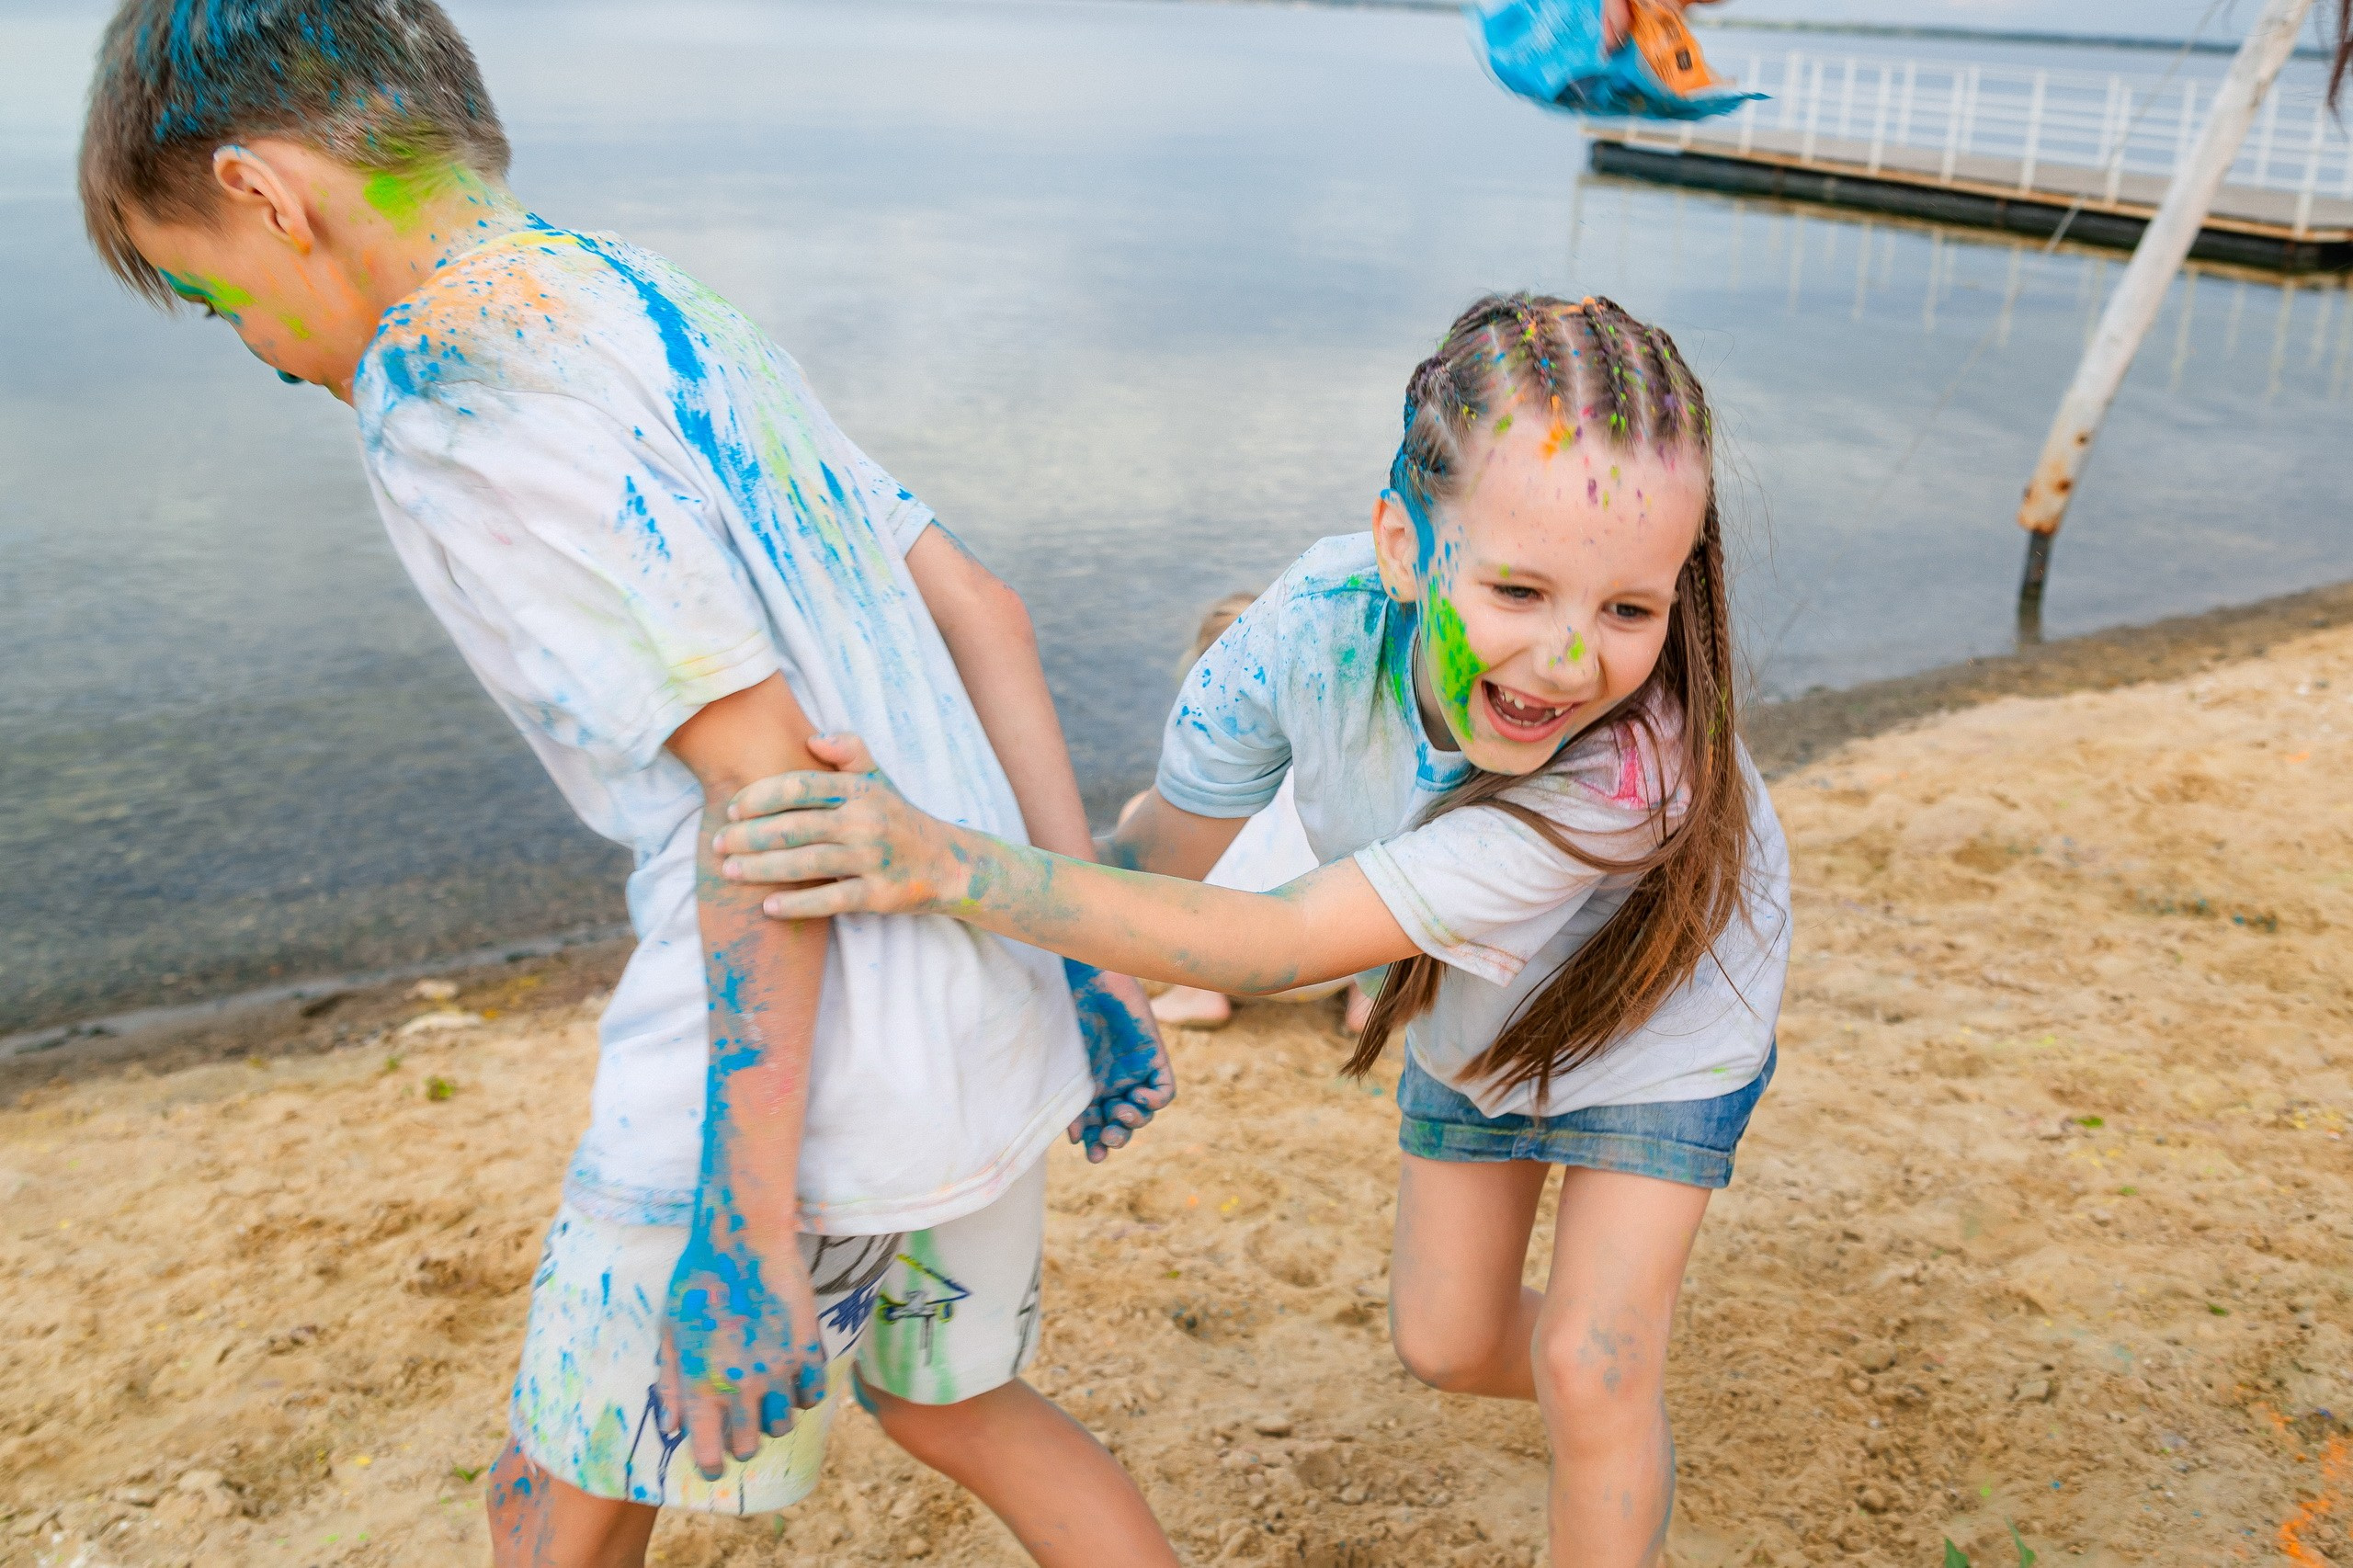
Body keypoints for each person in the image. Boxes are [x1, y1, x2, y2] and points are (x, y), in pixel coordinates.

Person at [75, 4, 1176, 1564]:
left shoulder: (446, 384)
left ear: (265, 192)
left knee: (552, 1514)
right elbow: (984, 607)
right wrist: (1092, 963)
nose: (254, 346)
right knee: (958, 1405)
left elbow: (768, 798)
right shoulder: (653, 298)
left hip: (794, 1082)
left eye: (210, 296)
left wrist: (741, 1218)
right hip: (988, 1016)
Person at [714, 293, 1792, 1568]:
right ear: (1403, 543)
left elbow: (1272, 943)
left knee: (1589, 1359)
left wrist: (945, 862)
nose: (1567, 659)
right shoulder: (1310, 628)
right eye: (1516, 585)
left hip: (1666, 1017)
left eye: (1630, 609)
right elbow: (1155, 858)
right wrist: (1009, 917)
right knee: (1446, 1341)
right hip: (1478, 1016)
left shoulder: (1634, 774)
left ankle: (1610, 1393)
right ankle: (1610, 1392)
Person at [1141, 593, 1374, 1032]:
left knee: (1148, 817)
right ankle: (1368, 998)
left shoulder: (1202, 762)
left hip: (1234, 963)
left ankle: (1199, 993)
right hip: (1345, 954)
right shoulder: (1343, 753)